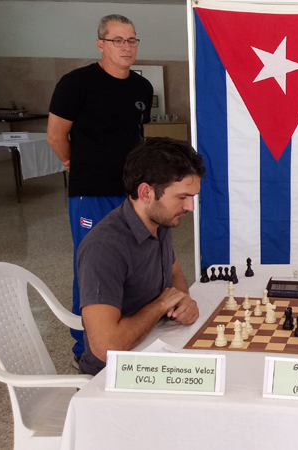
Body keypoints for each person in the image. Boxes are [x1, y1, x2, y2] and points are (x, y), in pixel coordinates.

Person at [46, 14, 154, 363]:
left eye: (132, 40)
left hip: (133, 193)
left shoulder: (142, 88)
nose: (126, 47)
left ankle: (126, 333)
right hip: (91, 192)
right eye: (118, 40)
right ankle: (88, 350)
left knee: (135, 263)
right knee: (93, 268)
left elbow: (136, 137)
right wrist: (71, 164)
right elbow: (55, 135)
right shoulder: (76, 83)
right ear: (101, 44)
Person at [76, 138, 205, 376]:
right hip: (114, 373)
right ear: (146, 192)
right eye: (182, 197)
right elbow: (106, 347)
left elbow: (173, 272)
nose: (190, 207)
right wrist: (160, 306)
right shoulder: (104, 249)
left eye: (192, 197)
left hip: (155, 345)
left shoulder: (160, 221)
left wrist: (182, 301)